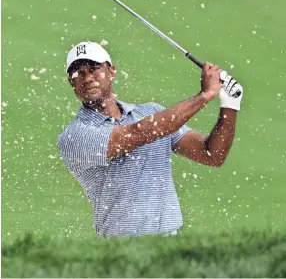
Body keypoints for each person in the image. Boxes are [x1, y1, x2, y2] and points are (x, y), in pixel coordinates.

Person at [57, 41, 243, 238]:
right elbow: (141, 133)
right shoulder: (74, 136)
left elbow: (212, 154)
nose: (87, 78)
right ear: (71, 82)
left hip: (171, 243)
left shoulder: (151, 112)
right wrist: (205, 95)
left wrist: (230, 104)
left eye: (94, 69)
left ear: (111, 72)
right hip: (121, 249)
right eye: (78, 73)